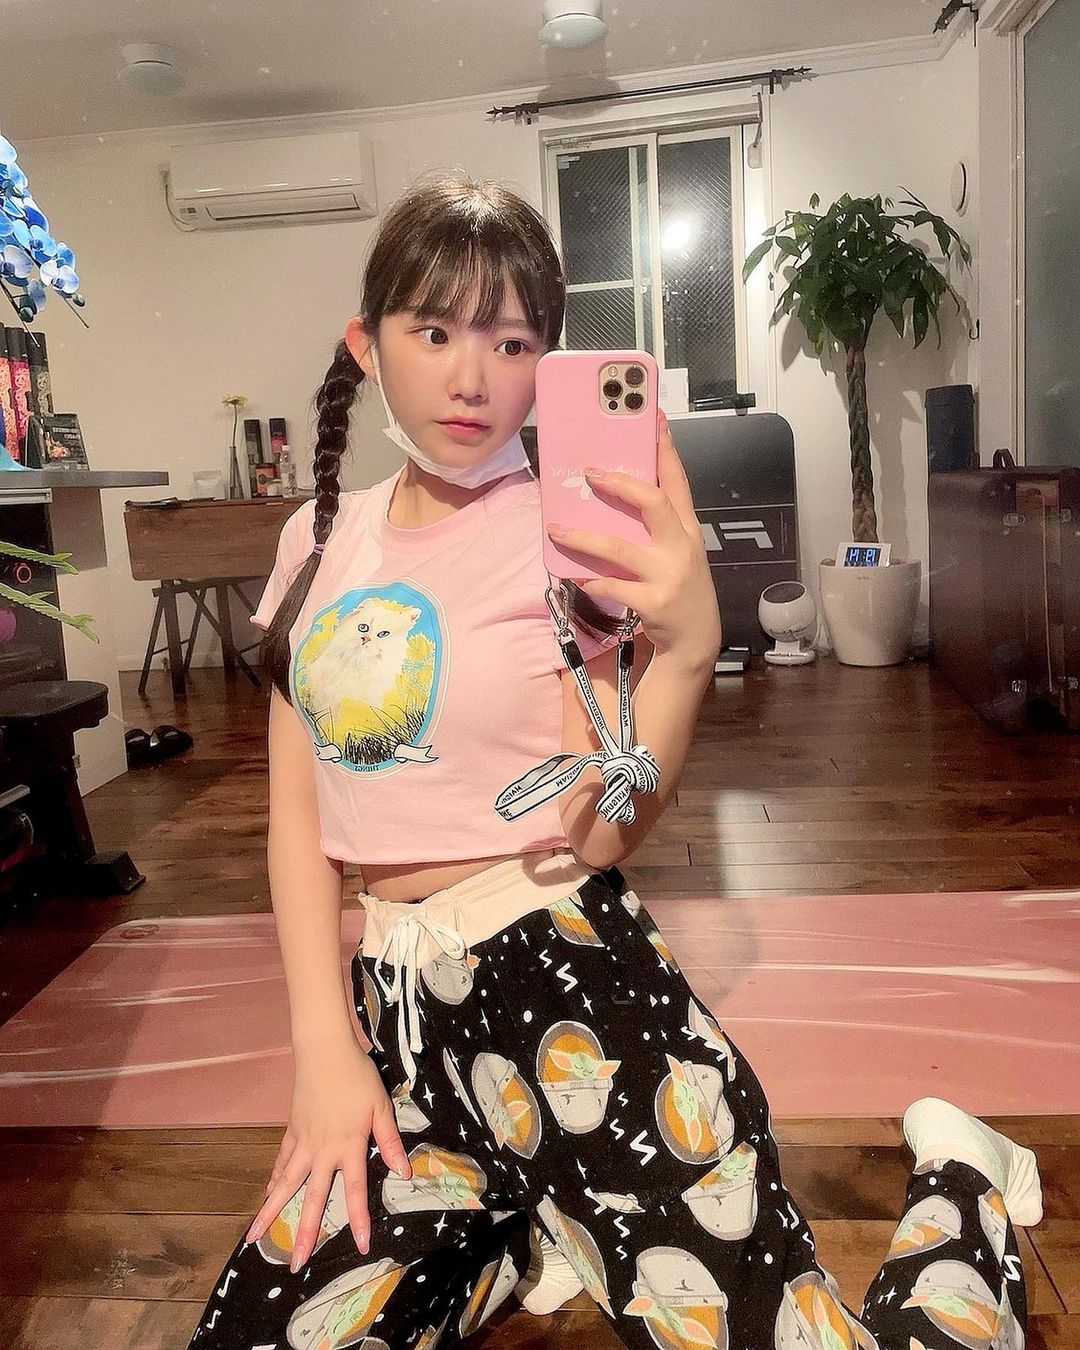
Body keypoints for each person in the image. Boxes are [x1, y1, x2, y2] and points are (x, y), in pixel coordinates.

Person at [185, 172, 1041, 1350]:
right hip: (398, 1036)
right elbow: (297, 820)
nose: (472, 377)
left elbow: (598, 832)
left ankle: (964, 1176)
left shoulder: (575, 531)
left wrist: (683, 650)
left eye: (511, 341)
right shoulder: (317, 536)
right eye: (433, 332)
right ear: (366, 344)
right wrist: (322, 1054)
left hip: (571, 995)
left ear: (549, 363)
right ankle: (518, 1228)